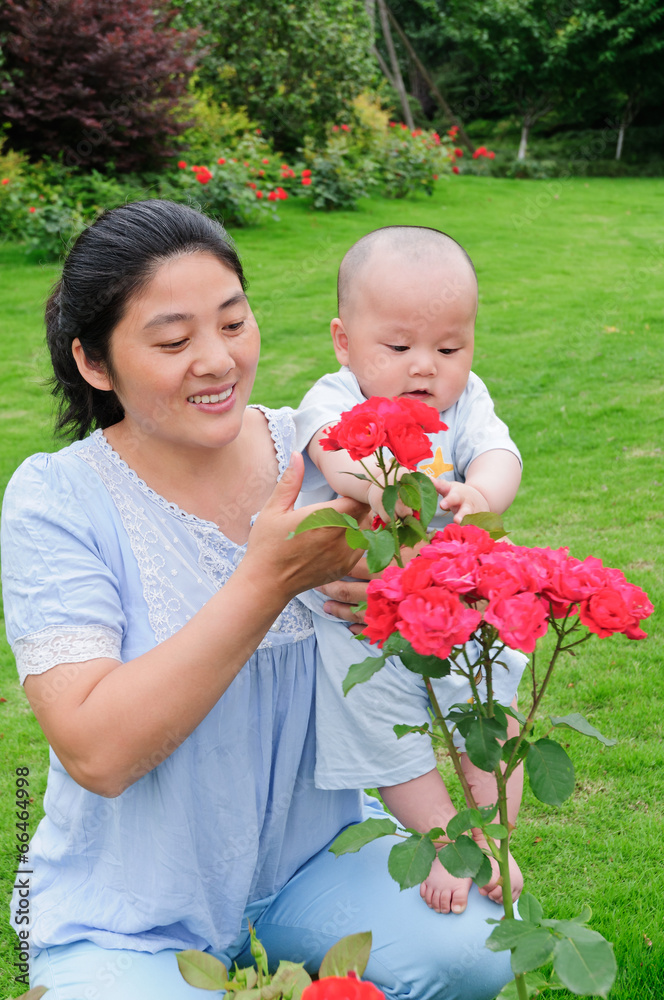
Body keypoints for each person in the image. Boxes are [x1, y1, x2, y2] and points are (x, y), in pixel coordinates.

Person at [1, 202, 516, 1000]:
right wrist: (269, 581)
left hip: (312, 862)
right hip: (126, 911)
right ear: (95, 363)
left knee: (478, 949)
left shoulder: (327, 453)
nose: (216, 361)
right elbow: (96, 754)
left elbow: (457, 586)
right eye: (173, 342)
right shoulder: (57, 501)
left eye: (234, 324)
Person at [294, 226, 525, 916]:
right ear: (345, 341)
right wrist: (388, 486)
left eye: (450, 348)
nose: (425, 368)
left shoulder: (464, 403)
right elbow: (338, 462)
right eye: (398, 348)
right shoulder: (332, 398)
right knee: (375, 713)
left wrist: (480, 493)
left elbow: (500, 452)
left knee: (491, 693)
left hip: (450, 601)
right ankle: (438, 838)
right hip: (360, 614)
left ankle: (492, 837)